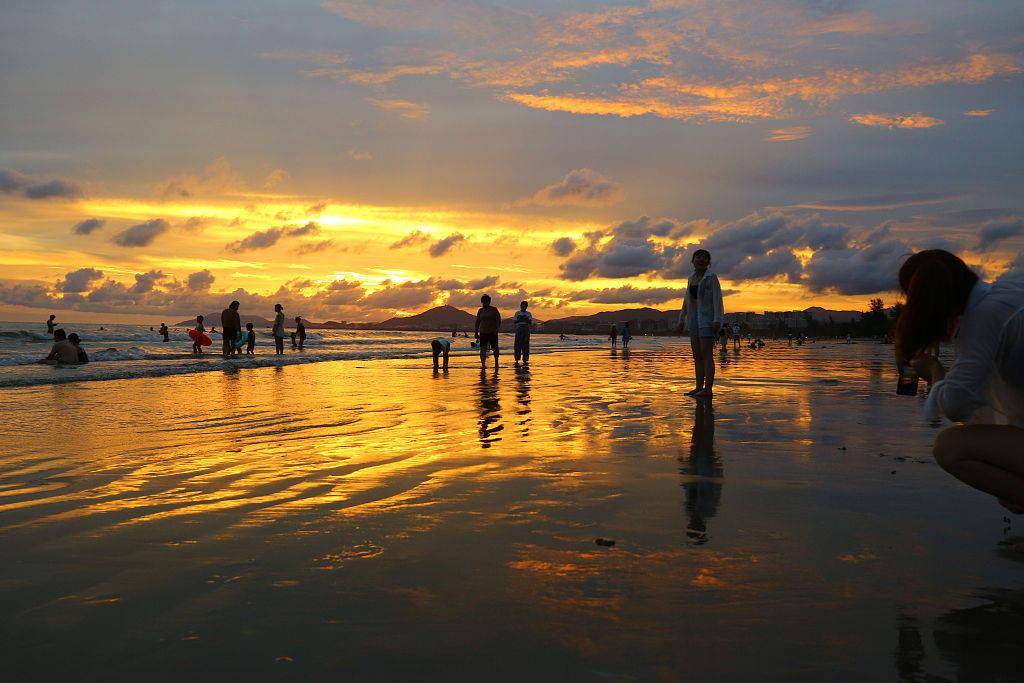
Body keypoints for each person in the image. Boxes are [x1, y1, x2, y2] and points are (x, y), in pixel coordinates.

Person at [895, 249, 1024, 514]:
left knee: (951, 448)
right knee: (1007, 484)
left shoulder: (984, 318)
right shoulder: (1008, 293)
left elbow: (955, 406)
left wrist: (933, 370)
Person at [677, 248, 725, 398]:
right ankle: (698, 387)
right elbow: (686, 301)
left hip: (707, 320)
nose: (701, 259)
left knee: (707, 355)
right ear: (693, 261)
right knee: (696, 355)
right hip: (693, 320)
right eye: (698, 257)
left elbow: (718, 300)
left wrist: (718, 319)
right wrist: (681, 319)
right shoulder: (691, 278)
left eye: (705, 258)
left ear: (708, 262)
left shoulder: (711, 278)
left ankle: (708, 389)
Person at [474, 294, 501, 369]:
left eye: (487, 302)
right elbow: (478, 321)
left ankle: (496, 363)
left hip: (493, 332)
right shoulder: (480, 310)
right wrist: (476, 332)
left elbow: (498, 320)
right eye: (484, 302)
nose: (485, 303)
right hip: (483, 332)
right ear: (482, 302)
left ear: (489, 302)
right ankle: (483, 365)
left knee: (495, 348)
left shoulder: (494, 309)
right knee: (483, 348)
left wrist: (497, 329)